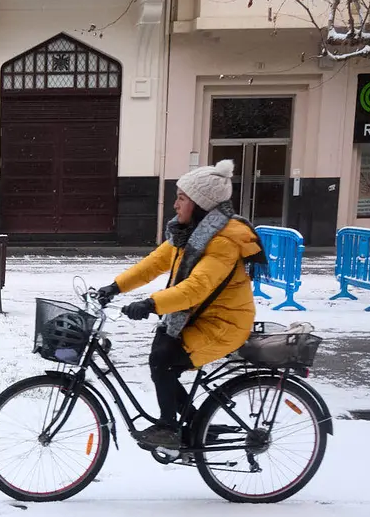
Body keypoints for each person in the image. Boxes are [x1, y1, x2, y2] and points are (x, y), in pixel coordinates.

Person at [95, 159, 267, 450]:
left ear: (200, 204)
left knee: (163, 358)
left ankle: (169, 427)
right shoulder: (189, 235)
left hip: (224, 325)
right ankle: (195, 423)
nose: (175, 205)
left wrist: (151, 304)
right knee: (161, 355)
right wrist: (116, 287)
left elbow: (195, 288)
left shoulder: (221, 241)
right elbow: (152, 264)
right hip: (200, 318)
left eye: (182, 198)